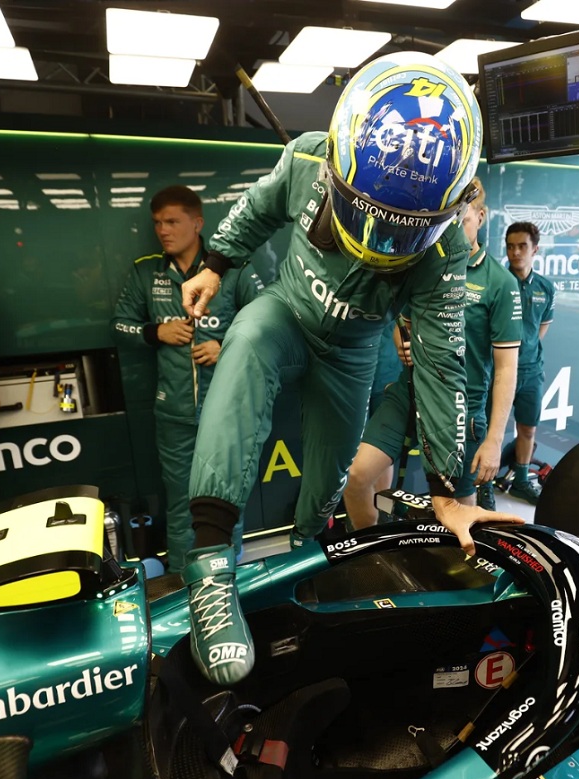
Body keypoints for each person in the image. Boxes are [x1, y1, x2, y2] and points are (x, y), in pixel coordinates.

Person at [177, 52, 522, 685]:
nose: (382, 244)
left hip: (353, 353)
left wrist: (453, 492)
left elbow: (442, 369)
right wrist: (215, 264)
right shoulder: (309, 157)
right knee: (247, 340)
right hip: (286, 312)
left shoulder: (445, 248)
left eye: (402, 234)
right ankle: (208, 570)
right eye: (367, 218)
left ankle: (313, 561)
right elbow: (256, 208)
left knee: (330, 481)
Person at [344, 177, 521, 527]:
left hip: (461, 407)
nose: (452, 228)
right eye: (446, 220)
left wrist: (494, 439)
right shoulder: (425, 261)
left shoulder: (500, 283)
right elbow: (401, 315)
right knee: (357, 479)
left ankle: (462, 581)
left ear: (480, 216)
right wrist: (403, 343)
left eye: (462, 218)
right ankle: (374, 561)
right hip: (409, 390)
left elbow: (506, 369)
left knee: (459, 516)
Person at [112, 185, 263, 573]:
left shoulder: (234, 269)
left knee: (227, 502)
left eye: (172, 221)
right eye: (158, 223)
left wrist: (225, 346)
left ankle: (228, 581)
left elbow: (270, 328)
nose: (163, 230)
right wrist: (154, 333)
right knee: (181, 503)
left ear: (197, 223)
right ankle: (183, 587)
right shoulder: (146, 272)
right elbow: (120, 326)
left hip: (227, 410)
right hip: (174, 413)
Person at [501, 221, 555, 505]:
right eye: (510, 247)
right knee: (489, 429)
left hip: (531, 371)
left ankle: (521, 480)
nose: (515, 252)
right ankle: (482, 486)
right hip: (495, 371)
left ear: (535, 249)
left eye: (522, 246)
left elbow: (539, 330)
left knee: (528, 429)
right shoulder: (496, 281)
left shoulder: (546, 288)